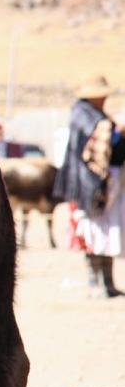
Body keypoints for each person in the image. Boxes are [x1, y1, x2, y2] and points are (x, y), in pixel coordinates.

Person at [53, 75, 125, 298]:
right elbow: (96, 149)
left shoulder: (94, 116)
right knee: (91, 231)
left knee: (105, 231)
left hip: (103, 185)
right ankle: (95, 282)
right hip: (89, 185)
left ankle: (107, 281)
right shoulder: (84, 116)